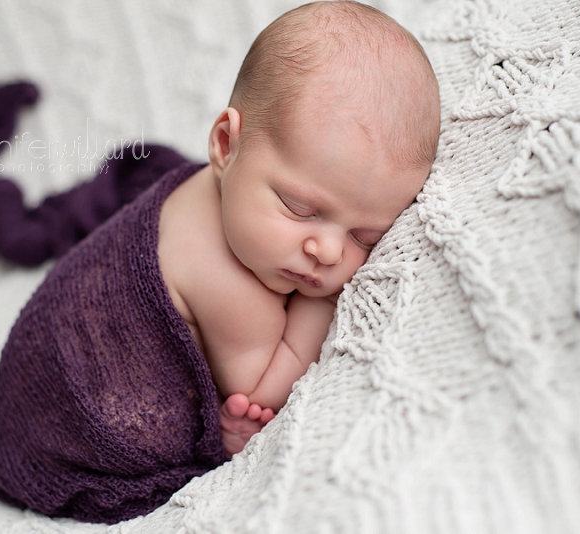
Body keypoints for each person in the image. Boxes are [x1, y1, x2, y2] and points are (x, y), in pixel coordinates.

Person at [158, 0, 440, 455]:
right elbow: (258, 392)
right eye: (299, 208)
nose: (328, 252)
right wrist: (324, 303)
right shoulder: (227, 284)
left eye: (364, 238)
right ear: (226, 146)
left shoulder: (230, 194)